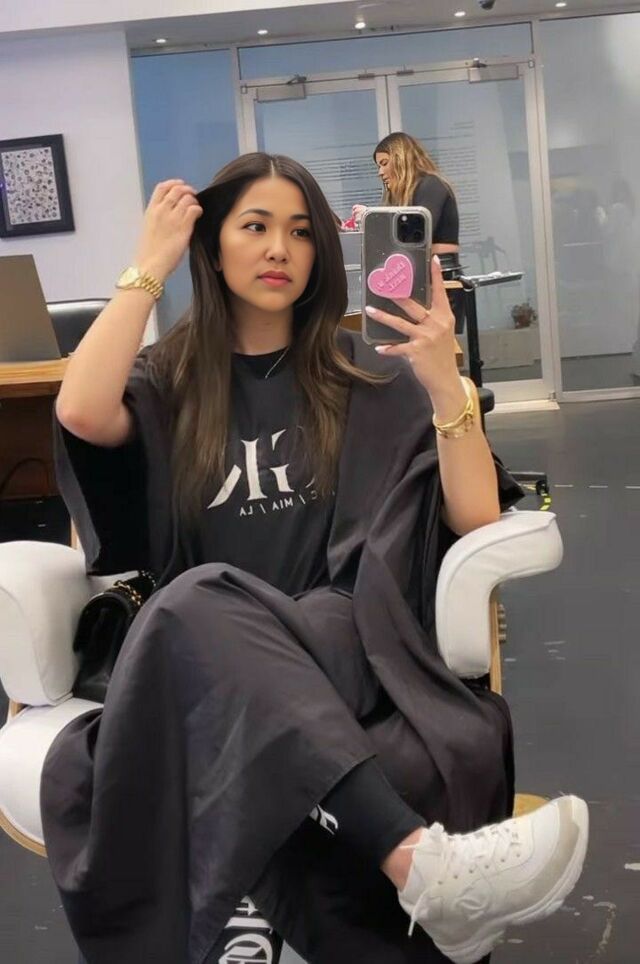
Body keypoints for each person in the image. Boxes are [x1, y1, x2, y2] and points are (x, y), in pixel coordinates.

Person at [43, 152, 588, 964]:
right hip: (206, 657)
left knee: (193, 600)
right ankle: (421, 865)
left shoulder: (369, 371)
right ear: (212, 247)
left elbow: (474, 515)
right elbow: (83, 411)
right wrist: (150, 264)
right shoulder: (171, 380)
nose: (279, 249)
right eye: (255, 226)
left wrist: (445, 383)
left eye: (300, 232)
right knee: (197, 603)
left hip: (344, 638)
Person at [353, 131, 461, 279]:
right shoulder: (415, 191)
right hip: (420, 275)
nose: (380, 172)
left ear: (401, 159)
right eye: (379, 166)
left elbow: (416, 233)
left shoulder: (432, 185)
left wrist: (373, 219)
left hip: (441, 277)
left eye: (384, 163)